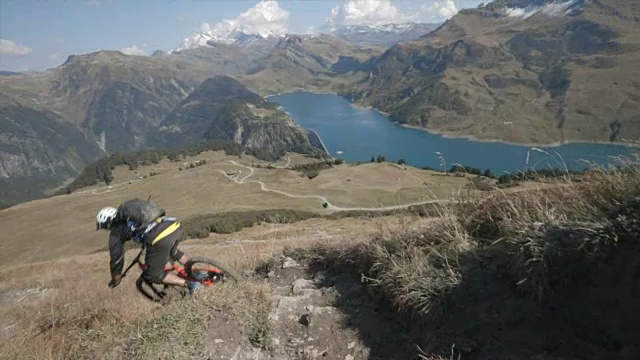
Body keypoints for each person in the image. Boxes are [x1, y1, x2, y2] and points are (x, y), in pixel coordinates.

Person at [95, 198, 201, 295]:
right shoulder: (130, 211)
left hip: (159, 236)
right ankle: (198, 273)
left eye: (104, 226)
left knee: (153, 274)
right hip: (173, 224)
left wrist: (116, 278)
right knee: (172, 252)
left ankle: (192, 285)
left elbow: (116, 259)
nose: (107, 229)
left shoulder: (116, 232)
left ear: (108, 222)